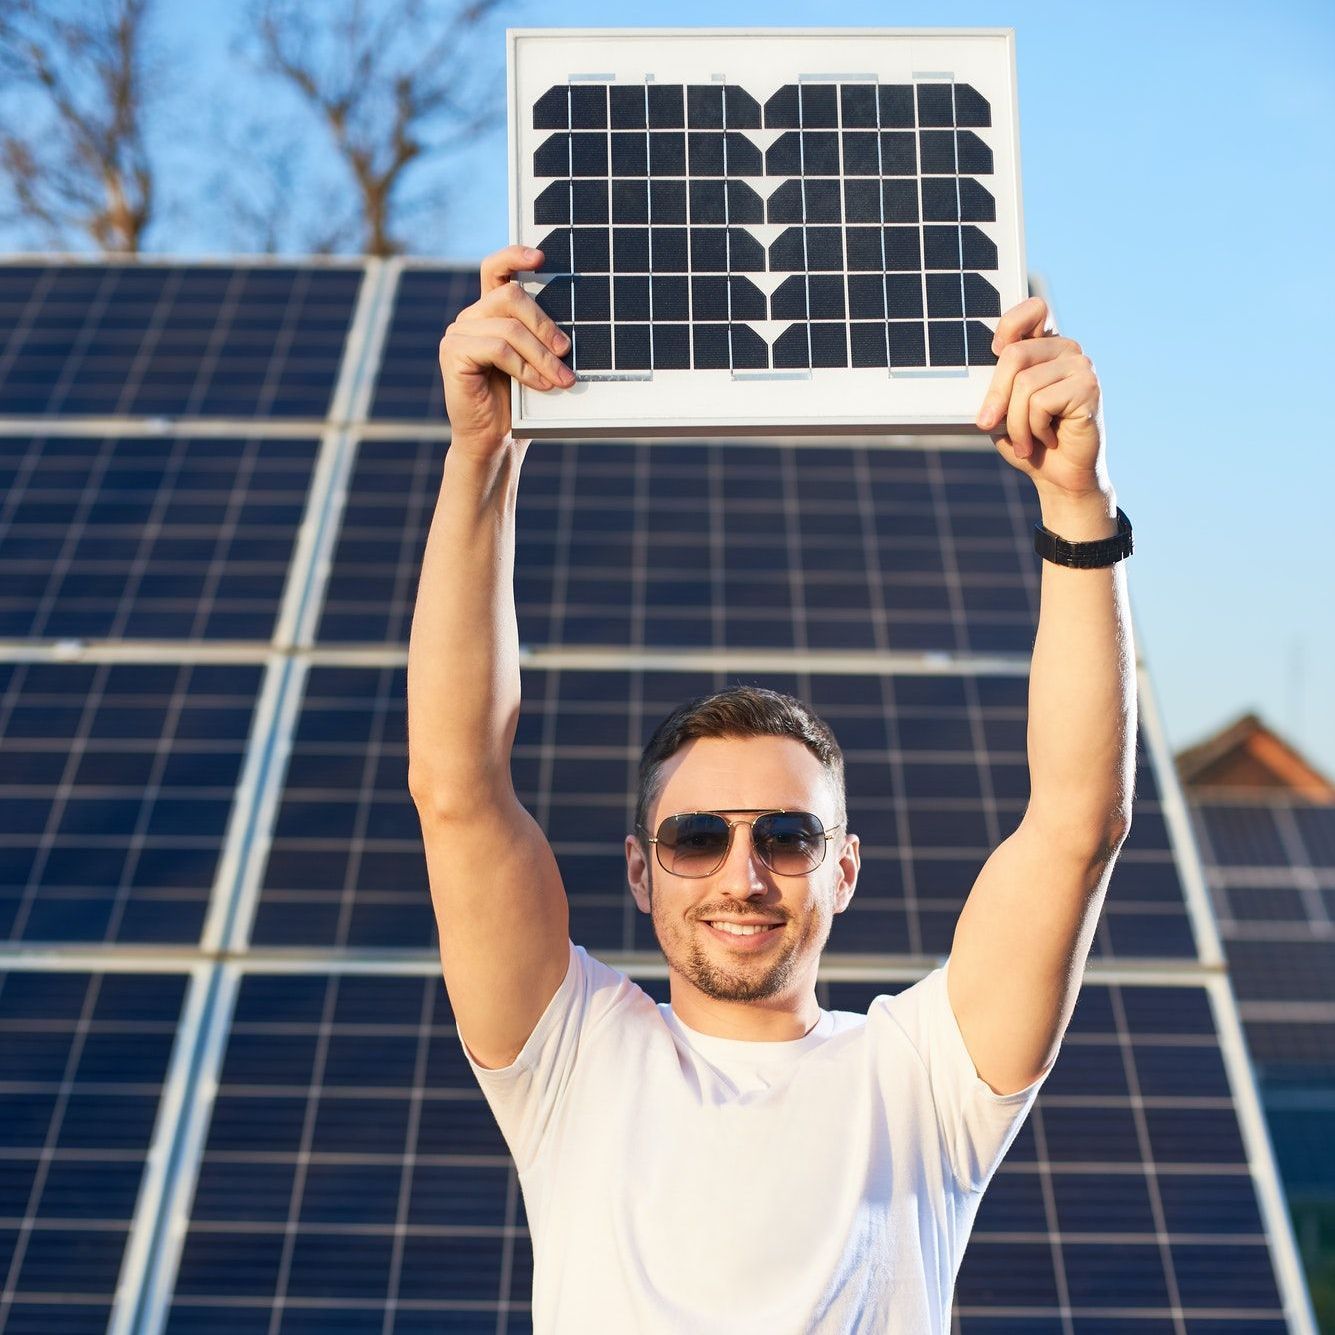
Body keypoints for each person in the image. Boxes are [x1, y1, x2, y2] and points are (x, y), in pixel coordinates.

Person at [410, 243, 1136, 1333]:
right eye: (697, 837)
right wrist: (483, 457)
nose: (742, 874)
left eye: (789, 837)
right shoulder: (572, 1055)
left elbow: (1079, 824)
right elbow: (456, 784)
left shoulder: (925, 1083)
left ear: (843, 870)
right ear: (643, 872)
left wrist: (1078, 507)